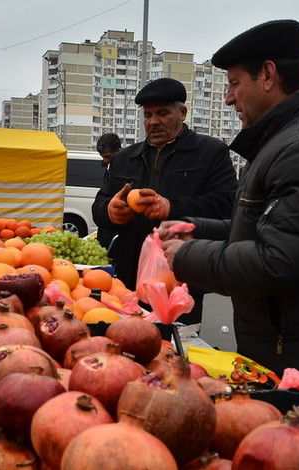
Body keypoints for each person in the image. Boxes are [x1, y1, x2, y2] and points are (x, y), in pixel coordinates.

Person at [159, 20, 299, 406]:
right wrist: (197, 230)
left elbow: (280, 260)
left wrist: (186, 256)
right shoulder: (284, 140)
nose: (229, 98)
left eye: (235, 83)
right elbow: (259, 229)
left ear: (269, 75)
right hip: (286, 348)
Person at [92, 78, 238, 325]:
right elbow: (100, 205)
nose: (153, 122)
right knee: (128, 342)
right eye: (148, 115)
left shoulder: (211, 152)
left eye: (162, 113)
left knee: (177, 350)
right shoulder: (125, 159)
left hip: (180, 278)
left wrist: (173, 207)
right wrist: (110, 211)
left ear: (182, 113)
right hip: (129, 277)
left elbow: (227, 205)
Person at [94, 132, 122, 250]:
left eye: (108, 156)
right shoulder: (110, 167)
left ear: (119, 151)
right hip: (106, 229)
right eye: (103, 157)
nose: (105, 161)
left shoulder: (129, 170)